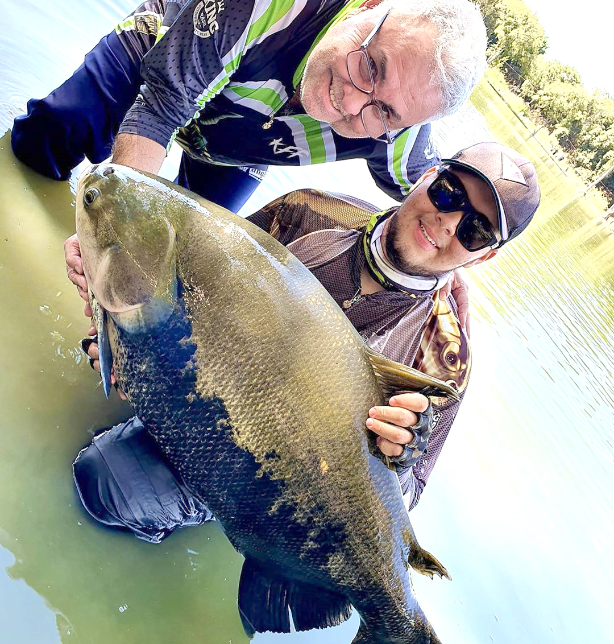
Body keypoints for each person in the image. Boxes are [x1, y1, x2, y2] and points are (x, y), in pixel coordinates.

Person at [74, 141, 541, 542]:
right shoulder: (307, 210)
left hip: (263, 474)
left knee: (100, 482)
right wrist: (111, 323)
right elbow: (183, 283)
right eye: (449, 192)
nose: (447, 222)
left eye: (475, 229)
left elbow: (409, 494)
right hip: (188, 382)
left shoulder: (445, 357)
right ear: (429, 174)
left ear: (485, 256)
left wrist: (404, 454)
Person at [12, 0, 487, 214]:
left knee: (190, 269)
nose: (352, 101)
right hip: (163, 57)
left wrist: (451, 274)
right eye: (370, 67)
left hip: (242, 144)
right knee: (55, 130)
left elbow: (434, 211)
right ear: (370, 6)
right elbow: (160, 108)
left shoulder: (402, 130)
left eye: (383, 112)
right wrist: (118, 231)